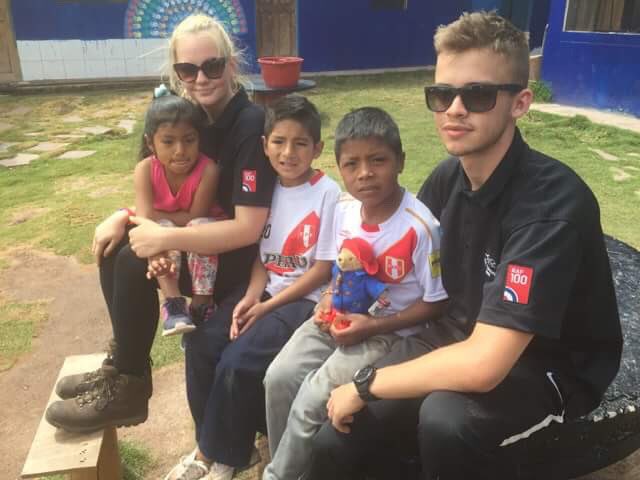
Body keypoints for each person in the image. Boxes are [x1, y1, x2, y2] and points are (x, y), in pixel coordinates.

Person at [310, 11, 623, 480]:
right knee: (340, 438)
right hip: (459, 333)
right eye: (442, 95)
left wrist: (368, 382)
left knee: (445, 421)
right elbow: (404, 265)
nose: (454, 109)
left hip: (546, 363)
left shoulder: (551, 206)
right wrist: (348, 299)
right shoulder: (447, 179)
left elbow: (484, 366)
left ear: (520, 102)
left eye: (476, 95)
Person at [45, 13, 277, 435]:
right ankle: (123, 364)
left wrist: (160, 235)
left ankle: (131, 386)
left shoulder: (249, 125)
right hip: (189, 238)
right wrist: (125, 217)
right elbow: (150, 185)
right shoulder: (173, 116)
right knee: (116, 246)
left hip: (231, 259)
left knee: (137, 256)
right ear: (176, 71)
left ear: (230, 64)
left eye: (212, 66)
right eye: (188, 69)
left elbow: (247, 228)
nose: (201, 78)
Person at [262, 107, 449, 480]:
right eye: (351, 164)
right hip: (337, 318)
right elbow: (339, 267)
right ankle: (293, 465)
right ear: (340, 168)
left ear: (400, 161)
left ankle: (278, 475)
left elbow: (435, 302)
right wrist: (330, 297)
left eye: (377, 160)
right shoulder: (345, 211)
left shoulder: (421, 227)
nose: (364, 173)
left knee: (312, 399)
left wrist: (373, 326)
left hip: (385, 332)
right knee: (278, 378)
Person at [163, 94, 341, 480]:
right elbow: (263, 256)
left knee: (238, 360)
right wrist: (249, 297)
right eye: (278, 142)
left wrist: (266, 307)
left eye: (300, 143)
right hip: (263, 289)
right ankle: (207, 446)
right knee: (202, 342)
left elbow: (323, 268)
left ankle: (226, 455)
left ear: (317, 148)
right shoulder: (268, 189)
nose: (288, 152)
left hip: (301, 299)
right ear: (265, 146)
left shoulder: (327, 193)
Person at [135, 87, 221, 337]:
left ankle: (202, 302)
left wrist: (160, 217)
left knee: (199, 226)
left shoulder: (208, 170)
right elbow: (144, 221)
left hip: (199, 234)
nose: (180, 150)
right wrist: (159, 232)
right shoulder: (144, 170)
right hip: (163, 234)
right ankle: (173, 303)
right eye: (168, 141)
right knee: (159, 230)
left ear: (199, 139)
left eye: (189, 140)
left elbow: (195, 215)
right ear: (151, 143)